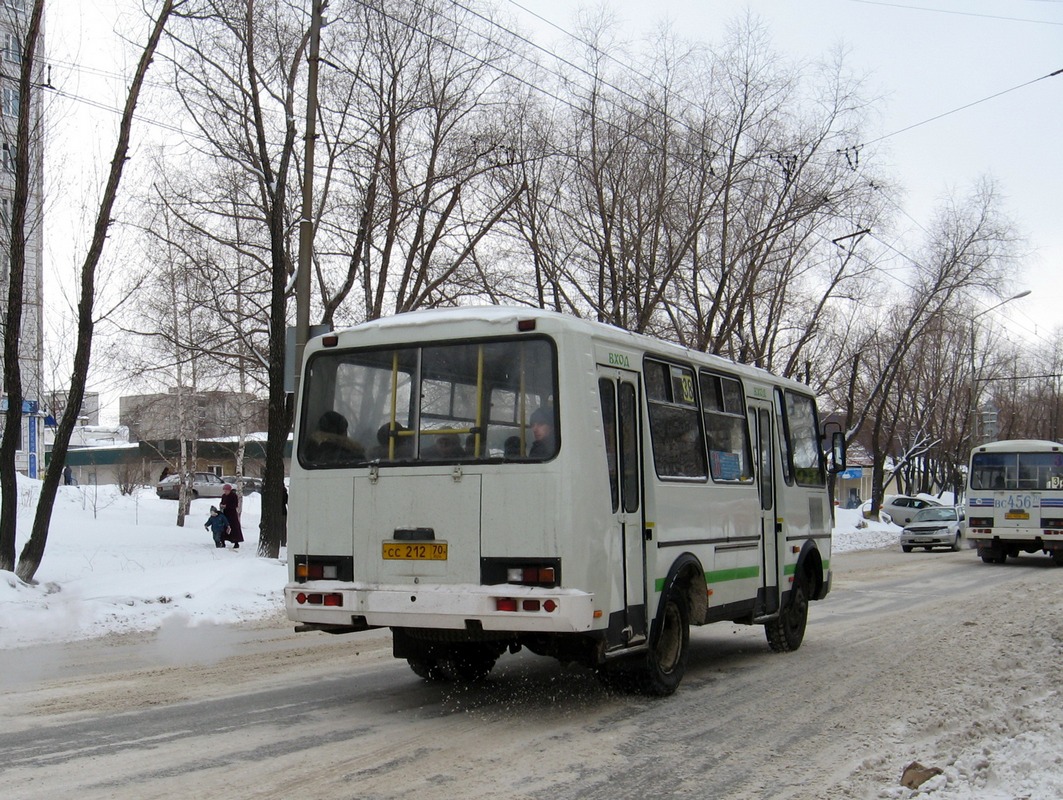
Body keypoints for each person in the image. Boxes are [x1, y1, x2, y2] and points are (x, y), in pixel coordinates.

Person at [219, 483, 244, 549]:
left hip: (232, 515)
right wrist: (221, 506)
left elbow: (235, 505)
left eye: (226, 490)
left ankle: (236, 542)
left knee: (234, 529)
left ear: (230, 490)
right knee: (224, 528)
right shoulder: (224, 496)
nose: (225, 492)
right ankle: (222, 542)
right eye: (224, 490)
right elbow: (222, 502)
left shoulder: (233, 496)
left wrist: (227, 506)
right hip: (225, 514)